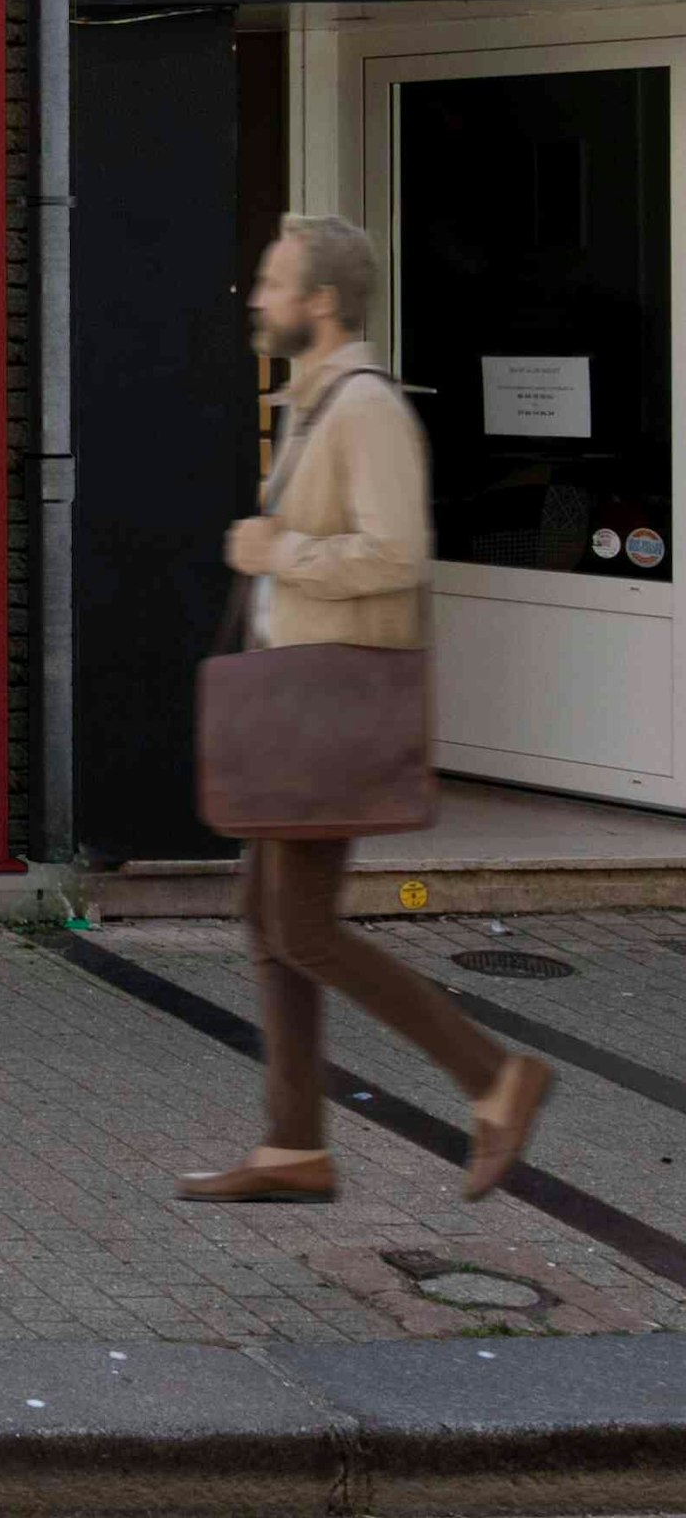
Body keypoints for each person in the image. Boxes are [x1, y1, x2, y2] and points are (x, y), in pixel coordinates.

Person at [180, 209, 555, 1209]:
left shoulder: (365, 409)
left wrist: (279, 555)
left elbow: (397, 552)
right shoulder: (313, 404)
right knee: (267, 916)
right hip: (300, 692)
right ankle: (294, 1146)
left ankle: (496, 1077)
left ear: (323, 301)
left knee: (300, 926)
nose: (256, 298)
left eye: (273, 281)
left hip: (333, 702)